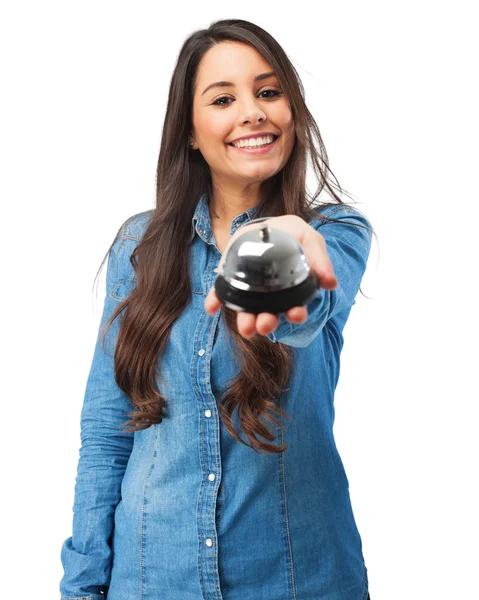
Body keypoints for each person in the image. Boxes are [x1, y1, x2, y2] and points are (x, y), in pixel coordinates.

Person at [59, 18, 374, 600]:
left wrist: (277, 257)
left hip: (296, 580)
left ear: (292, 113)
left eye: (269, 92)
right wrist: (82, 586)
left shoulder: (333, 233)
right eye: (224, 99)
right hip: (152, 579)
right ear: (190, 132)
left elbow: (307, 309)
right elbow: (107, 432)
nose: (252, 112)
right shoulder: (140, 246)